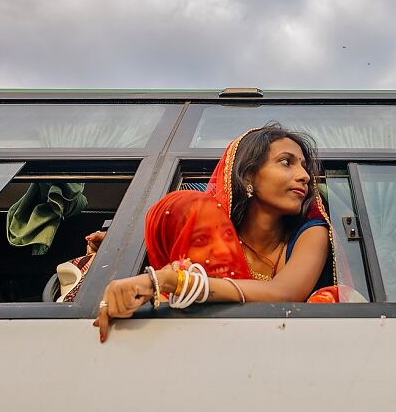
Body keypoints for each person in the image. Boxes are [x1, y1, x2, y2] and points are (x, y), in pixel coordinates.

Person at [94, 123, 337, 342]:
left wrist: (170, 280)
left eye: (305, 167)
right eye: (287, 162)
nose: (305, 176)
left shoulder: (311, 232)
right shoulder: (209, 236)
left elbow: (283, 293)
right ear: (249, 175)